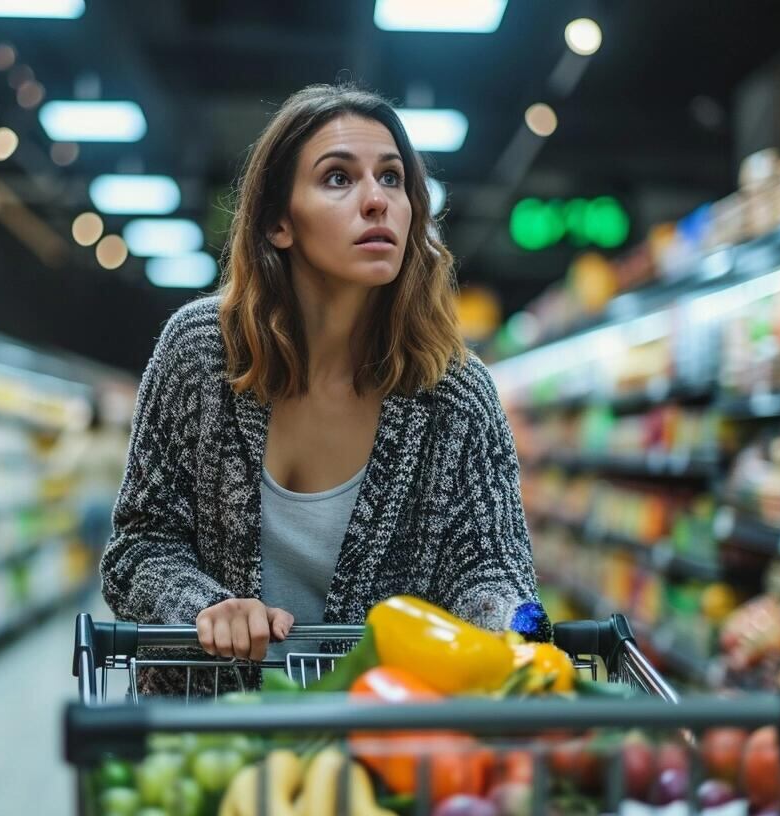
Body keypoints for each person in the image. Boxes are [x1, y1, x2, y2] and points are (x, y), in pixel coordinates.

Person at [101, 83, 544, 696]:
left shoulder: (454, 392)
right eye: (338, 178)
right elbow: (138, 547)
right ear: (278, 222)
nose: (377, 200)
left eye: (392, 179)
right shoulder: (201, 353)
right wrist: (206, 606)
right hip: (205, 724)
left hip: (380, 728)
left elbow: (490, 569)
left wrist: (517, 625)